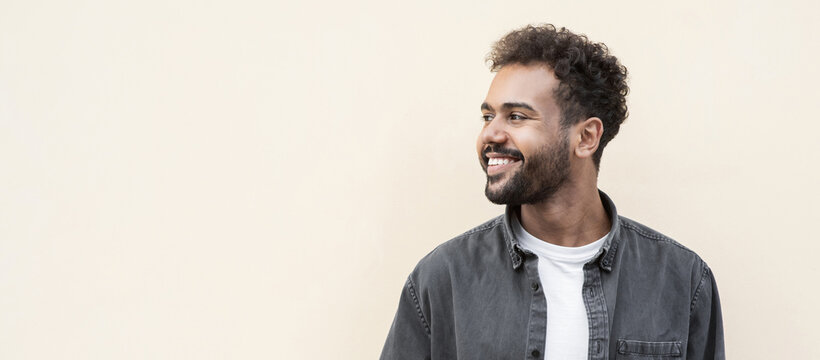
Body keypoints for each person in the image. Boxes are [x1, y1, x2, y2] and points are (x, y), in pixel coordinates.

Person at [379, 24, 724, 360]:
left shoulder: (682, 280)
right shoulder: (444, 278)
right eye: (488, 116)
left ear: (586, 137)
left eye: (516, 117)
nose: (490, 135)